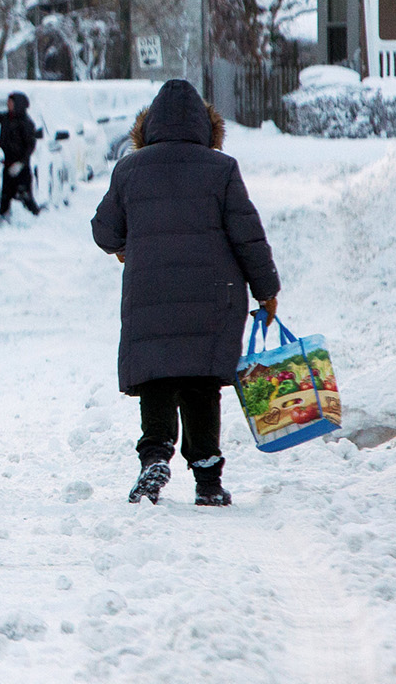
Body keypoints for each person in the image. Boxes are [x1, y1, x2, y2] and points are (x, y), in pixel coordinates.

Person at [90, 79, 279, 508]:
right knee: (199, 382)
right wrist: (266, 290)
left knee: (156, 375)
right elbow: (247, 236)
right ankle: (208, 478)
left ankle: (155, 456)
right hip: (212, 297)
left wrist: (124, 246)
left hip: (150, 295)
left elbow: (104, 230)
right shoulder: (221, 168)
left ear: (148, 127)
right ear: (206, 126)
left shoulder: (129, 169)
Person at [0, 90, 42, 219]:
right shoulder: (6, 118)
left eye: (11, 102)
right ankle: (3, 217)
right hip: (7, 164)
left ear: (18, 104)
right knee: (5, 195)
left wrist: (21, 163)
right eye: (8, 102)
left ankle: (35, 217)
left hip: (21, 167)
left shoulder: (26, 123)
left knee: (24, 195)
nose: (8, 104)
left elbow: (30, 145)